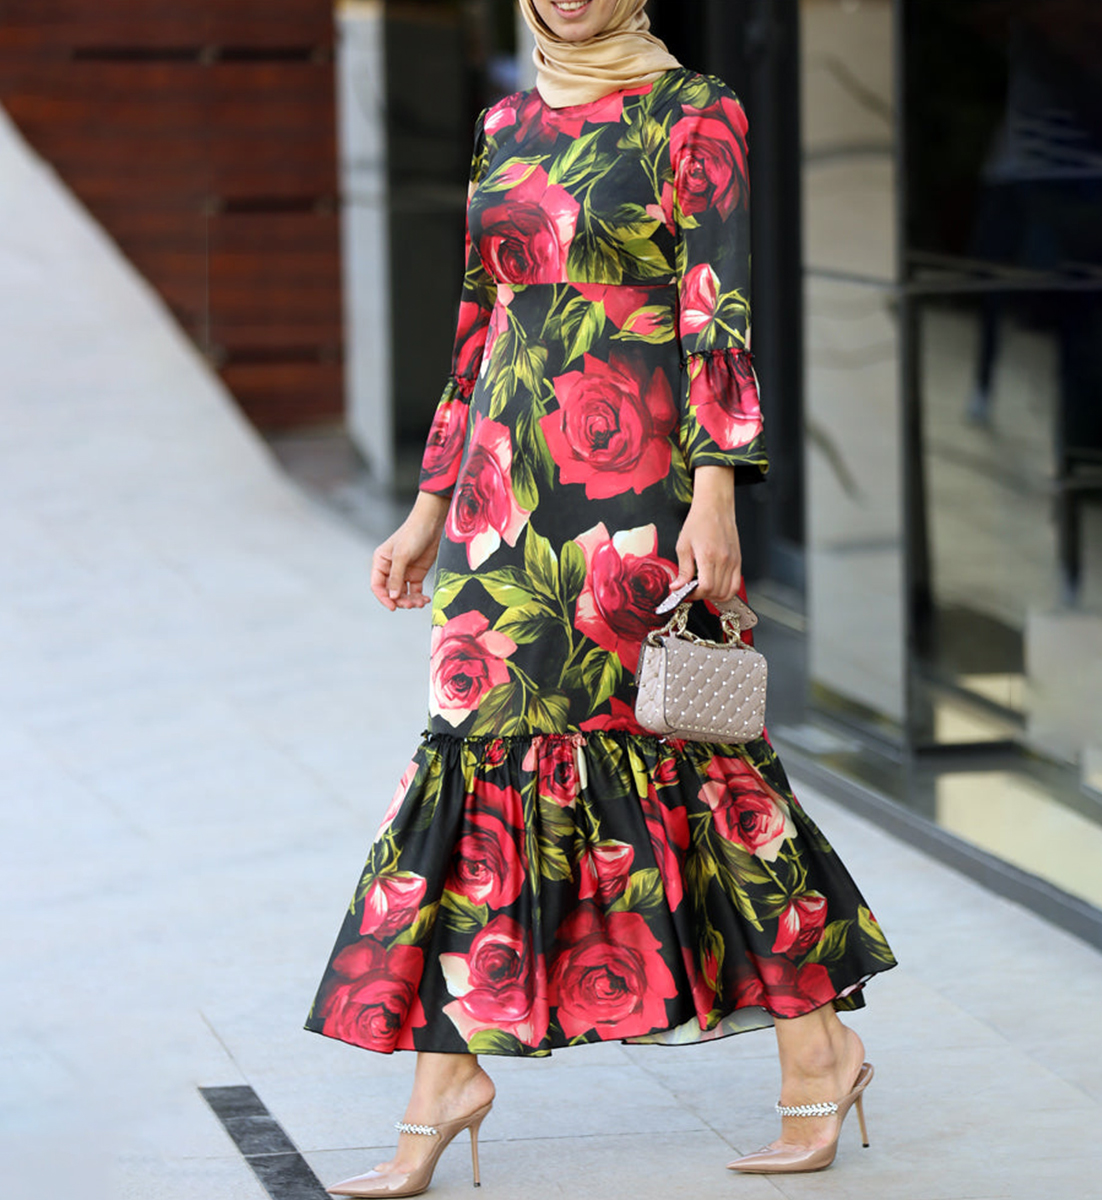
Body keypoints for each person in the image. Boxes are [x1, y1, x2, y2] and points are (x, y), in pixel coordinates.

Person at [306, 2, 897, 1194]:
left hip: (637, 490)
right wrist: (428, 506)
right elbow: (477, 328)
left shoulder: (694, 111)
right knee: (475, 758)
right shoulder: (504, 123)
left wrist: (717, 497)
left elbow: (716, 312)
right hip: (501, 499)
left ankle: (819, 1049)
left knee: (688, 755)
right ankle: (446, 1077)